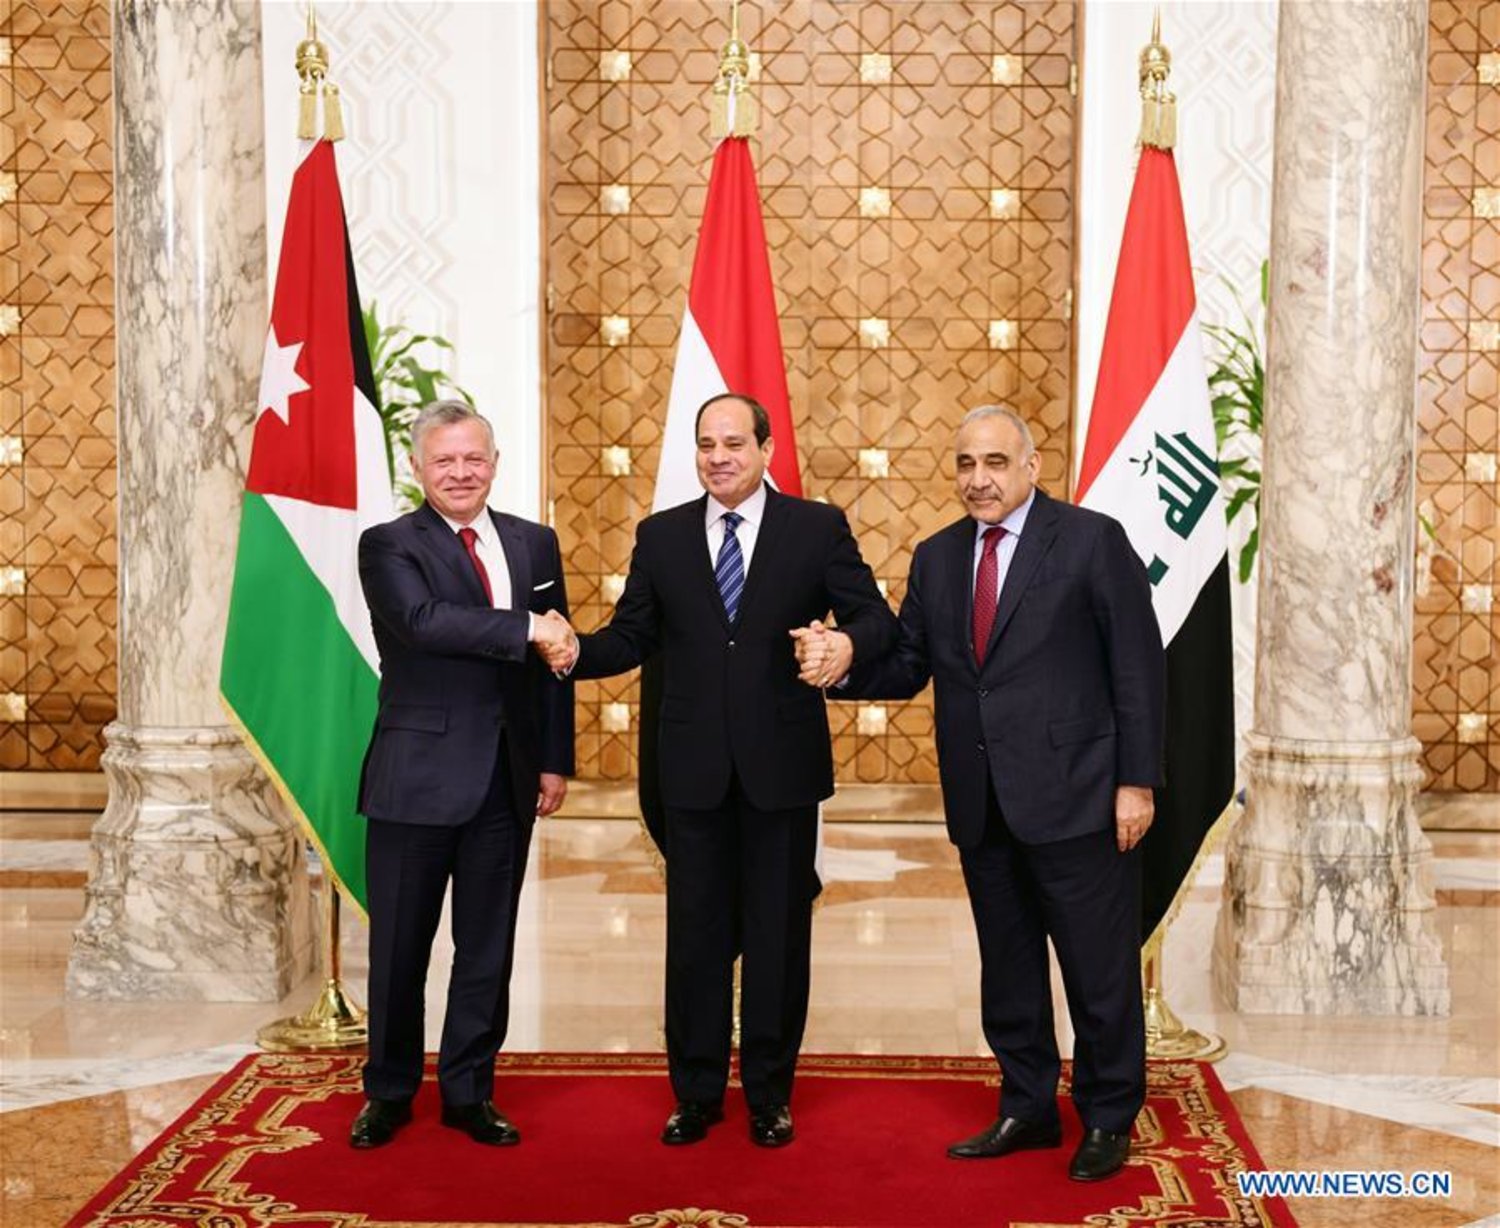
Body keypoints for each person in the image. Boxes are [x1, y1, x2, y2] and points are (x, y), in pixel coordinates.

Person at [793, 404, 1164, 1182]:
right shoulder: (937, 557)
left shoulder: (1091, 541)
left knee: (1098, 972)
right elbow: (908, 665)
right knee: (1010, 967)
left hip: (1081, 795)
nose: (978, 479)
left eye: (995, 462)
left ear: (1032, 466)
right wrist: (843, 663)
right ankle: (1026, 1105)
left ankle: (1105, 1116)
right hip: (983, 800)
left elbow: (1138, 666)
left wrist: (1137, 782)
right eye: (965, 464)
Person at [535, 393, 897, 1148]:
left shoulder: (815, 527)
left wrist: (846, 648)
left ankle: (769, 1093)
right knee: (694, 939)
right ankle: (696, 1093)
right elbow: (632, 634)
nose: (718, 457)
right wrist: (574, 651)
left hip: (783, 770)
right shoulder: (662, 537)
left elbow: (876, 620)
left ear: (766, 449)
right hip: (692, 772)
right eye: (706, 444)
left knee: (777, 936)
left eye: (734, 442)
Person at [349, 400, 577, 1149]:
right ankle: (386, 1093)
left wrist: (553, 757)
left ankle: (469, 1093)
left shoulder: (534, 543)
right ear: (417, 469)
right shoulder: (388, 545)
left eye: (472, 458)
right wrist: (526, 627)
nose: (460, 472)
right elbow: (422, 623)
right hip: (415, 778)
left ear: (495, 463)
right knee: (399, 953)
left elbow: (557, 662)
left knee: (488, 948)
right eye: (443, 460)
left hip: (506, 782)